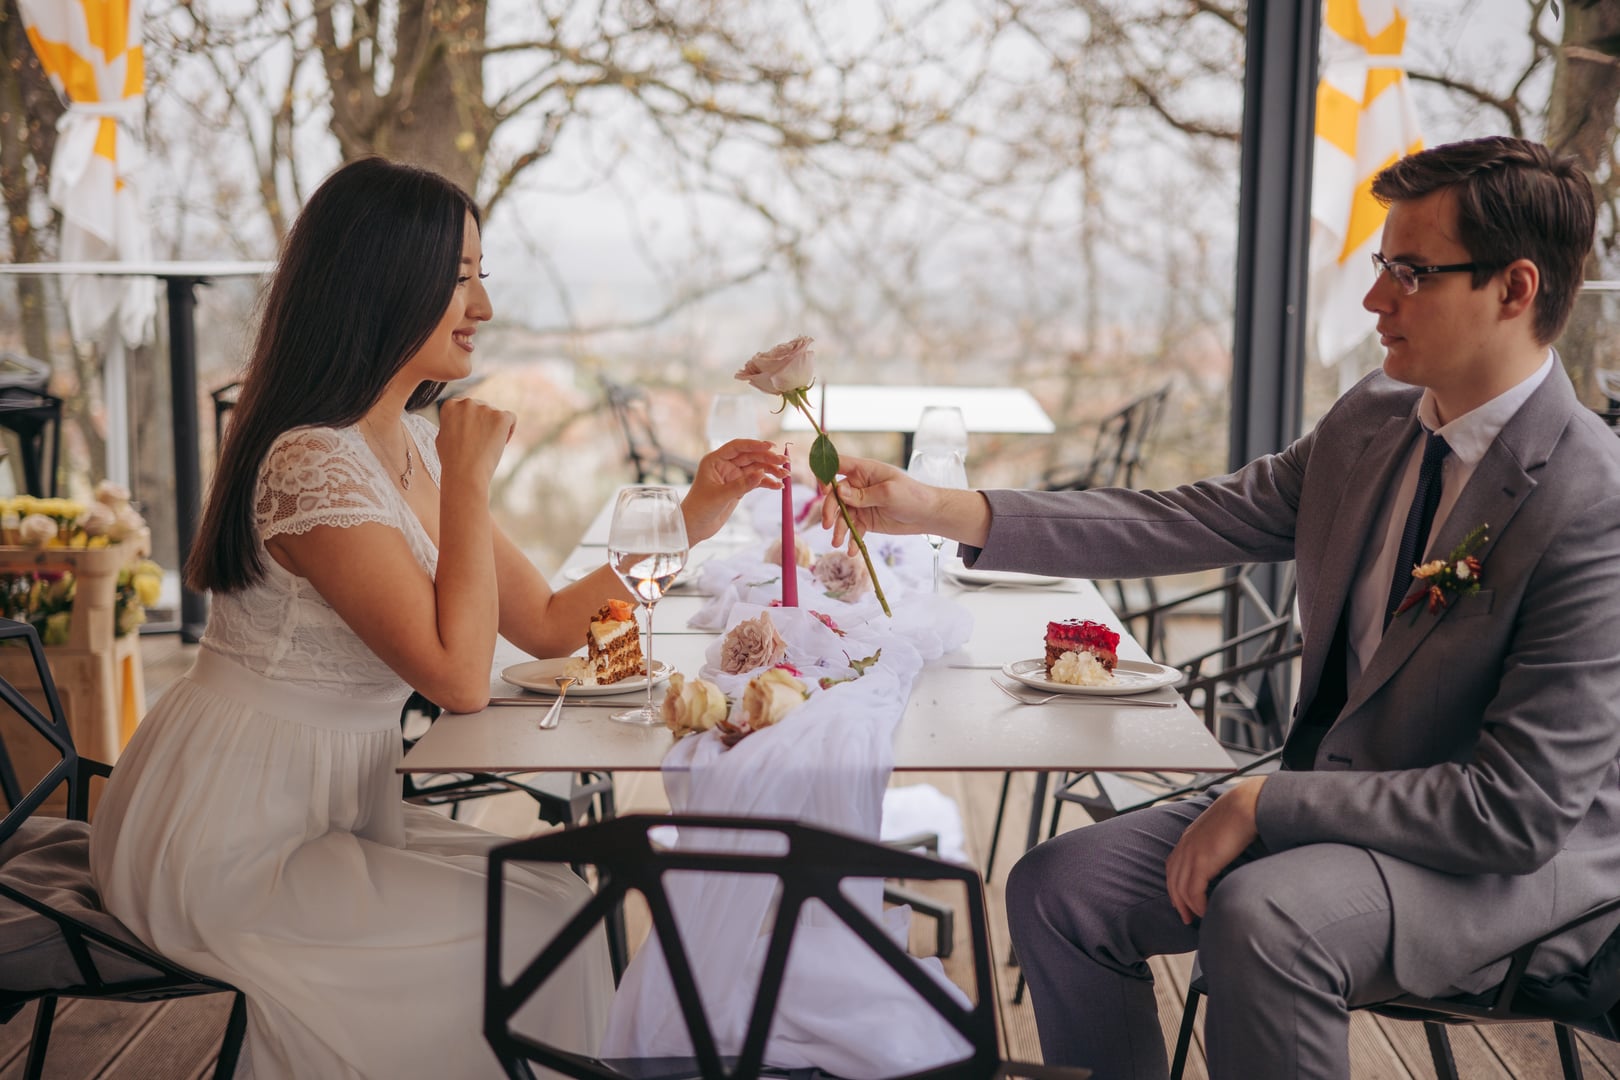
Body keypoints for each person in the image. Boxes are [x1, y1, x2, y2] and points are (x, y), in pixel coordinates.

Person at [819, 135, 1620, 1078]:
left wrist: (1266, 799)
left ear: (1515, 290)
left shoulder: (1589, 501)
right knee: (1055, 888)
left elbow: (1515, 812)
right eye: (1379, 266)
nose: (1375, 299)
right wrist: (935, 508)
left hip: (1507, 868)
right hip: (1335, 802)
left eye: (1410, 272)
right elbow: (1180, 519)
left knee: (1263, 919)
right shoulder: (1372, 420)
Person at [88, 156, 788, 1078]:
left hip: (340, 807)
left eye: (480, 277)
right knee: (534, 927)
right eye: (460, 279)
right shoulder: (311, 460)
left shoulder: (410, 440)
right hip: (230, 835)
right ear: (382, 283)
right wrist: (467, 479)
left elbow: (541, 622)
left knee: (553, 898)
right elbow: (457, 679)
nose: (482, 308)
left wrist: (695, 513)